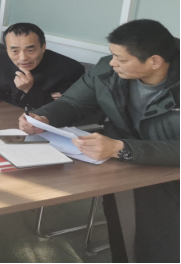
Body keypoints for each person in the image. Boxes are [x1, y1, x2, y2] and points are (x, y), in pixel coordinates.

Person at [18, 19, 179, 263]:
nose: (112, 63)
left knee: (162, 243)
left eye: (121, 59)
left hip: (169, 173)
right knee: (123, 232)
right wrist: (44, 117)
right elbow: (74, 102)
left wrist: (122, 148)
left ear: (154, 61)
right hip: (123, 166)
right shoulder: (107, 70)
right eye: (112, 55)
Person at [0, 23, 85, 111]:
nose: (23, 58)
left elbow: (63, 111)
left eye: (30, 50)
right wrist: (45, 98)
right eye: (15, 51)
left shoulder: (70, 69)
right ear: (7, 49)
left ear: (43, 47)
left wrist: (29, 90)